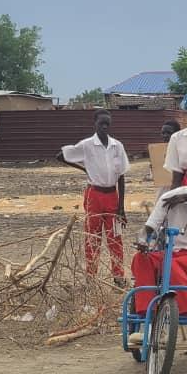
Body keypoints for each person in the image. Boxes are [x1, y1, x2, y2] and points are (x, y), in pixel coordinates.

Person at [129, 154, 187, 354]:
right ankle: (151, 324)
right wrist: (143, 241)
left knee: (168, 264)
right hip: (172, 253)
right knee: (141, 259)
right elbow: (149, 228)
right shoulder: (170, 196)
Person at [58, 109, 130, 285]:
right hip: (94, 196)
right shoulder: (86, 145)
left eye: (107, 123)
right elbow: (61, 156)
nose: (104, 126)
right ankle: (91, 277)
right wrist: (85, 169)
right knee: (92, 237)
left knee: (115, 237)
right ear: (95, 123)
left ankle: (118, 276)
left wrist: (121, 207)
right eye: (101, 123)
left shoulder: (117, 146)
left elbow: (121, 176)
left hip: (112, 195)